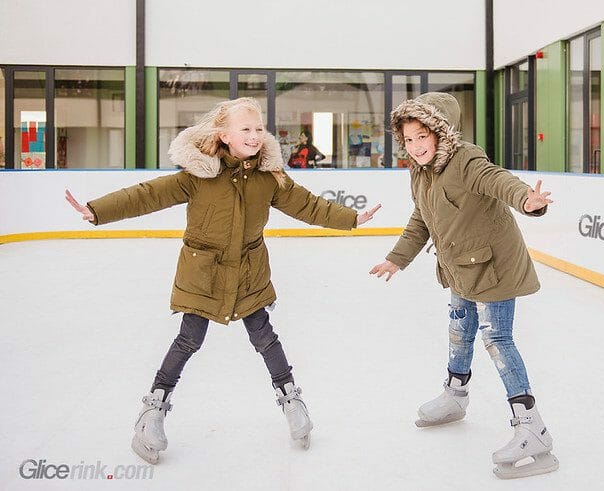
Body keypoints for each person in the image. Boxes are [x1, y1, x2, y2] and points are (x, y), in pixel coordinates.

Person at [65, 97, 381, 463]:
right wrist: (98, 209)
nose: (254, 135)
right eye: (245, 129)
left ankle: (292, 400)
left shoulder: (270, 177)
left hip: (248, 273)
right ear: (224, 135)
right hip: (203, 274)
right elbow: (148, 195)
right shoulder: (198, 175)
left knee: (264, 336)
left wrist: (351, 218)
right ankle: (153, 410)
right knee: (188, 340)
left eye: (259, 128)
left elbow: (307, 205)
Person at [368, 92, 557, 479]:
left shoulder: (465, 158)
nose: (416, 146)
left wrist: (528, 200)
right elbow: (421, 218)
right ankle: (455, 396)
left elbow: (498, 181)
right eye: (408, 139)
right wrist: (396, 258)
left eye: (423, 136)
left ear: (440, 132)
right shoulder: (419, 171)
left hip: (494, 266)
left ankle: (532, 428)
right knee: (459, 330)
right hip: (460, 266)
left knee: (497, 341)